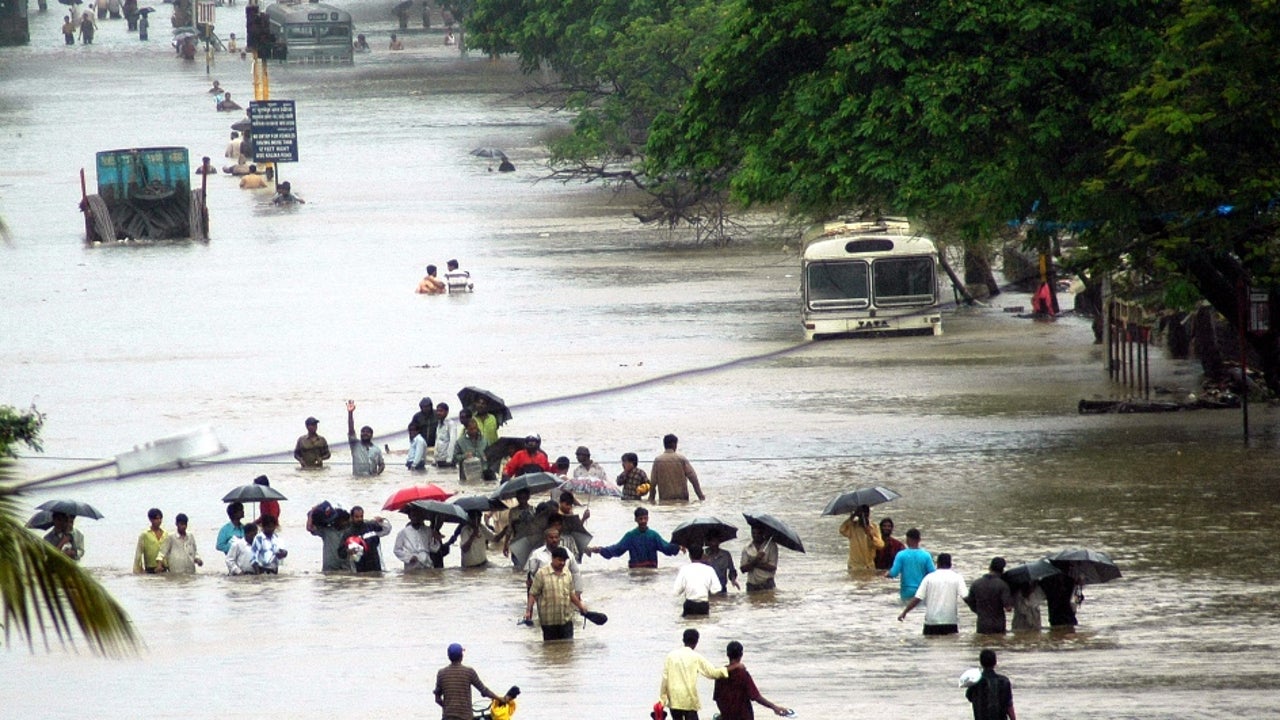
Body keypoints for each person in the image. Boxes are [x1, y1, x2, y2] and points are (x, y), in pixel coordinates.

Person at [661, 628, 730, 720]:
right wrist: (732, 667)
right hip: (688, 698)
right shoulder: (696, 657)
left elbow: (665, 679)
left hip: (674, 699)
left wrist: (662, 700)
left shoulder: (671, 656)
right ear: (696, 641)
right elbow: (713, 673)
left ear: (683, 640)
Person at [713, 641, 791, 720]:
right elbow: (756, 697)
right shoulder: (743, 674)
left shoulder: (720, 675)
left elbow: (717, 699)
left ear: (727, 655)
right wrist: (774, 707)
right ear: (741, 655)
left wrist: (724, 713)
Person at [525, 546, 590, 640]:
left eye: (564, 560)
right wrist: (528, 611)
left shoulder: (567, 573)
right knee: (550, 649)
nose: (562, 563)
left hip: (566, 620)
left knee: (567, 649)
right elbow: (533, 593)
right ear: (553, 558)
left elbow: (571, 594)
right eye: (560, 560)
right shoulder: (542, 574)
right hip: (548, 622)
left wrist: (580, 606)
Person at [898, 552, 967, 635]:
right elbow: (966, 597)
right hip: (950, 621)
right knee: (950, 646)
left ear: (937, 564)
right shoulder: (957, 578)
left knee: (930, 646)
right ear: (950, 564)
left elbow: (917, 598)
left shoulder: (929, 578)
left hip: (931, 622)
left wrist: (905, 612)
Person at [587, 507, 680, 568]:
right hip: (636, 572)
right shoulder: (630, 536)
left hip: (651, 573)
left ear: (648, 518)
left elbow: (666, 548)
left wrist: (679, 545)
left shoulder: (654, 535)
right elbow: (617, 549)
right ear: (635, 520)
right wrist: (600, 550)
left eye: (645, 518)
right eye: (640, 519)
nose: (643, 521)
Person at [434, 643, 507, 720]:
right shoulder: (469, 672)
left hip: (447, 717)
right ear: (461, 656)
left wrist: (448, 708)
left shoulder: (441, 673)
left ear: (448, 656)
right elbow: (484, 691)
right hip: (465, 717)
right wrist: (499, 699)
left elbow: (437, 699)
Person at [525, 526, 583, 595]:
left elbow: (575, 572)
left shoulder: (567, 553)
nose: (554, 540)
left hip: (564, 591)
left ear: (559, 538)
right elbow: (531, 575)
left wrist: (578, 592)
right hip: (544, 593)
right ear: (545, 539)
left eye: (556, 537)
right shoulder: (537, 555)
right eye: (551, 538)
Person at [965, 557, 1014, 634]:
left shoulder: (976, 583)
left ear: (989, 567)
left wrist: (979, 611)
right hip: (998, 624)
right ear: (1002, 570)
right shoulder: (1003, 585)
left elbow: (970, 602)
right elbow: (1008, 608)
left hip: (982, 624)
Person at [649, 434, 705, 502]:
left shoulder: (658, 460)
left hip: (665, 500)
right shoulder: (681, 459)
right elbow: (693, 478)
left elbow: (653, 482)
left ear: (664, 445)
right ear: (674, 445)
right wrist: (700, 496)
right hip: (682, 499)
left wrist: (651, 499)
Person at [885, 528, 935, 602]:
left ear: (907, 540)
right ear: (919, 540)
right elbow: (933, 574)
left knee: (907, 609)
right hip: (921, 591)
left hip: (906, 591)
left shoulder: (901, 555)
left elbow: (894, 573)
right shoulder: (926, 555)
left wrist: (887, 574)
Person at [966, 649, 1017, 720]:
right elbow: (1009, 706)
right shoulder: (1004, 681)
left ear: (981, 663)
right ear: (995, 662)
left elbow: (969, 697)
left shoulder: (974, 681)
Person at [340, 505, 392, 572]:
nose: (359, 519)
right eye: (357, 517)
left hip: (375, 566)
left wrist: (382, 522)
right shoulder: (348, 533)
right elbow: (340, 553)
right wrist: (348, 551)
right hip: (358, 569)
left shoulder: (371, 526)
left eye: (361, 516)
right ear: (352, 517)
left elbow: (387, 530)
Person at [674, 545, 722, 616]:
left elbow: (676, 592)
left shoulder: (684, 569)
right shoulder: (709, 569)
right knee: (703, 624)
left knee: (687, 624)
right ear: (702, 555)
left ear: (689, 556)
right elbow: (716, 589)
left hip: (689, 604)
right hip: (703, 605)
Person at [838, 504, 884, 572]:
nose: (864, 516)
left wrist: (871, 535)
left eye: (866, 513)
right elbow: (842, 530)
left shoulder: (874, 527)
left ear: (869, 514)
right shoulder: (853, 527)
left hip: (869, 566)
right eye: (861, 514)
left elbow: (881, 545)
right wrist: (852, 517)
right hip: (854, 566)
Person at [307, 501, 351, 571]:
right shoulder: (326, 531)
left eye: (345, 520)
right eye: (341, 520)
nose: (344, 522)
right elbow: (310, 527)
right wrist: (312, 512)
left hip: (346, 568)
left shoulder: (350, 530)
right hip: (329, 569)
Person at [346, 400, 385, 476]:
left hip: (371, 480)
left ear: (371, 435)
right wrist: (350, 413)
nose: (365, 434)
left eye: (367, 432)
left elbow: (382, 465)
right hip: (357, 480)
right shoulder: (355, 445)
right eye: (363, 432)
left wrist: (377, 474)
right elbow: (351, 430)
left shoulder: (376, 450)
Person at [394, 504, 435, 570]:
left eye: (418, 515)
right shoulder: (403, 532)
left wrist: (435, 539)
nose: (416, 518)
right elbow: (397, 550)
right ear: (409, 517)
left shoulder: (428, 530)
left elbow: (433, 549)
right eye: (413, 515)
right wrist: (409, 557)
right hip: (412, 564)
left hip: (426, 562)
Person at [739, 525, 778, 592]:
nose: (756, 535)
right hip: (752, 585)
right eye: (753, 533)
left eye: (759, 533)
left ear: (763, 533)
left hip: (767, 583)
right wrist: (756, 560)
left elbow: (772, 567)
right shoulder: (747, 547)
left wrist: (754, 563)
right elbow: (743, 569)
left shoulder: (771, 546)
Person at [133, 507, 166, 573]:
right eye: (157, 519)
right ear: (151, 519)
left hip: (164, 567)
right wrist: (138, 570)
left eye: (160, 518)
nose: (159, 521)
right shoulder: (145, 535)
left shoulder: (165, 534)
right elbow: (138, 554)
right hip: (151, 569)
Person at [434, 402, 459, 468]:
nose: (438, 413)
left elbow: (452, 442)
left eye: (441, 411)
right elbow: (437, 441)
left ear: (447, 412)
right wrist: (435, 458)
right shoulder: (439, 424)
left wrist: (449, 459)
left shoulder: (451, 424)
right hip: (440, 459)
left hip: (447, 460)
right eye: (438, 411)